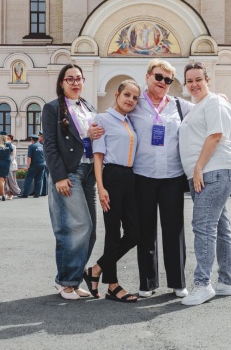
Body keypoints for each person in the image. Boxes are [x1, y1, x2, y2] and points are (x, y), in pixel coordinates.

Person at [126, 59, 191, 299]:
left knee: (174, 231)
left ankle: (178, 282)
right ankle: (147, 282)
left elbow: (204, 110)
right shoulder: (135, 103)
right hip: (142, 175)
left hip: (172, 176)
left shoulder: (179, 105)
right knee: (146, 231)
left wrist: (220, 99)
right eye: (159, 77)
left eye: (168, 79)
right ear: (147, 76)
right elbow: (113, 117)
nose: (163, 82)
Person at [178, 62, 231, 306]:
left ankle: (203, 284)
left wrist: (198, 167)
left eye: (198, 80)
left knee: (203, 225)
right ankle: (227, 281)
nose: (193, 84)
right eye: (189, 81)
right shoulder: (199, 106)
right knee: (220, 227)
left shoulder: (214, 102)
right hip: (208, 172)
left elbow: (215, 136)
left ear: (207, 80)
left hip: (214, 171)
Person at [41, 63, 97, 300]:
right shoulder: (52, 108)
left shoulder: (88, 107)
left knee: (90, 230)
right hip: (69, 172)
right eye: (70, 79)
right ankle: (65, 282)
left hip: (89, 172)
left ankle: (73, 280)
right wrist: (59, 176)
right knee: (75, 227)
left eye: (78, 78)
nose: (75, 83)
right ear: (62, 82)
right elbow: (50, 145)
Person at [83, 80, 141, 303]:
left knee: (134, 233)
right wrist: (101, 187)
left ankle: (96, 269)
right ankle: (112, 285)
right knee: (113, 232)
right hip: (112, 176)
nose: (130, 100)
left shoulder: (129, 121)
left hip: (129, 177)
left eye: (135, 98)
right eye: (127, 95)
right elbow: (98, 156)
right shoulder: (103, 119)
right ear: (117, 94)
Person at [0, 131, 12, 201]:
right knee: (3, 179)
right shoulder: (9, 144)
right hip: (6, 162)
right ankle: (3, 195)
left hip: (0, 162)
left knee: (1, 179)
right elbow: (12, 152)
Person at [4, 134, 21, 200]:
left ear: (11, 140)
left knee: (12, 180)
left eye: (8, 138)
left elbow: (13, 156)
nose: (7, 140)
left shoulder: (13, 146)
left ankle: (12, 193)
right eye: (6, 138)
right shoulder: (4, 146)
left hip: (11, 165)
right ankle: (6, 192)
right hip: (5, 165)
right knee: (6, 180)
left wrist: (7, 161)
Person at [38, 131, 49, 196]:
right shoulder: (43, 144)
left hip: (45, 162)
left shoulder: (44, 144)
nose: (39, 138)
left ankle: (44, 191)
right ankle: (43, 191)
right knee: (44, 177)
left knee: (45, 177)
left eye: (40, 136)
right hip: (45, 162)